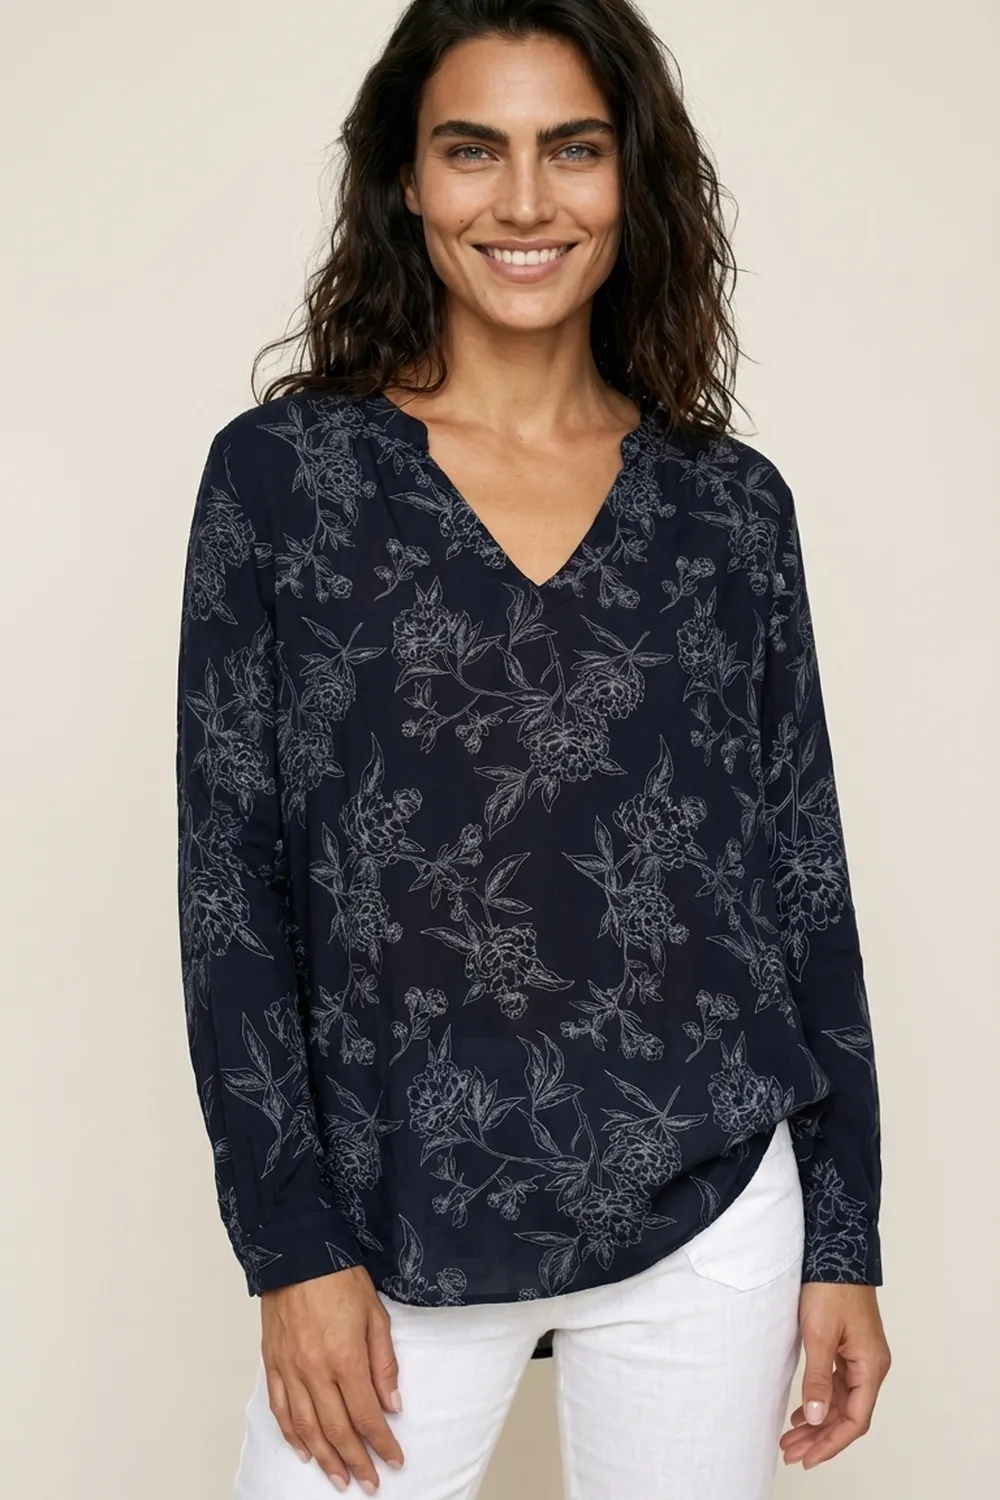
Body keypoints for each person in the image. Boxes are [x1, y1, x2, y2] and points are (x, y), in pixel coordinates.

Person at [175, 2, 892, 1495]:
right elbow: (231, 888)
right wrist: (288, 1246)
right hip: (392, 1221)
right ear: (405, 179)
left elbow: (800, 879)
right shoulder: (286, 481)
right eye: (470, 150)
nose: (521, 201)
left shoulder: (728, 509)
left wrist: (845, 1238)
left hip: (710, 1212)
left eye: (571, 149)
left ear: (631, 177)